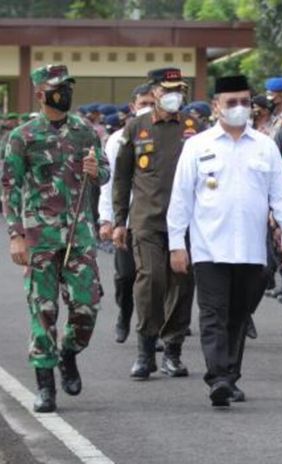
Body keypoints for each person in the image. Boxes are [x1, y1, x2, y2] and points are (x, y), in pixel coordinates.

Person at [168, 75, 282, 407]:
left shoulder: (265, 146)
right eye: (231, 102)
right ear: (216, 106)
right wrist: (176, 244)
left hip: (252, 250)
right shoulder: (198, 146)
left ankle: (230, 375)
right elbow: (181, 199)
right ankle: (218, 378)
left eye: (244, 102)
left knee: (239, 314)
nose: (239, 108)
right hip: (209, 247)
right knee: (213, 312)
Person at [1, 64, 109, 412]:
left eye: (67, 86)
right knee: (43, 311)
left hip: (80, 236)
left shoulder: (85, 132)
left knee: (87, 305)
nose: (64, 92)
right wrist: (16, 235)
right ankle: (45, 385)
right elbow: (10, 188)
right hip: (40, 237)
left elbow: (104, 171)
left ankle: (69, 352)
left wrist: (97, 173)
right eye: (57, 87)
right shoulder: (23, 136)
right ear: (40, 94)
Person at [112, 67, 206, 380]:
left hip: (187, 222)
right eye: (167, 89)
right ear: (154, 93)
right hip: (147, 220)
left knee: (180, 286)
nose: (173, 94)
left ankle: (173, 350)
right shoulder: (136, 126)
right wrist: (118, 220)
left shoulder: (195, 126)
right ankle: (145, 351)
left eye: (178, 88)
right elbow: (123, 177)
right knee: (150, 280)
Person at [99, 83, 155, 343]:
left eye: (153, 104)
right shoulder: (119, 138)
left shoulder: (169, 135)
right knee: (125, 276)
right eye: (143, 104)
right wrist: (107, 219)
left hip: (155, 220)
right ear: (133, 107)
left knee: (155, 278)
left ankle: (152, 332)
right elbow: (109, 183)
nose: (148, 109)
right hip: (126, 219)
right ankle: (124, 314)